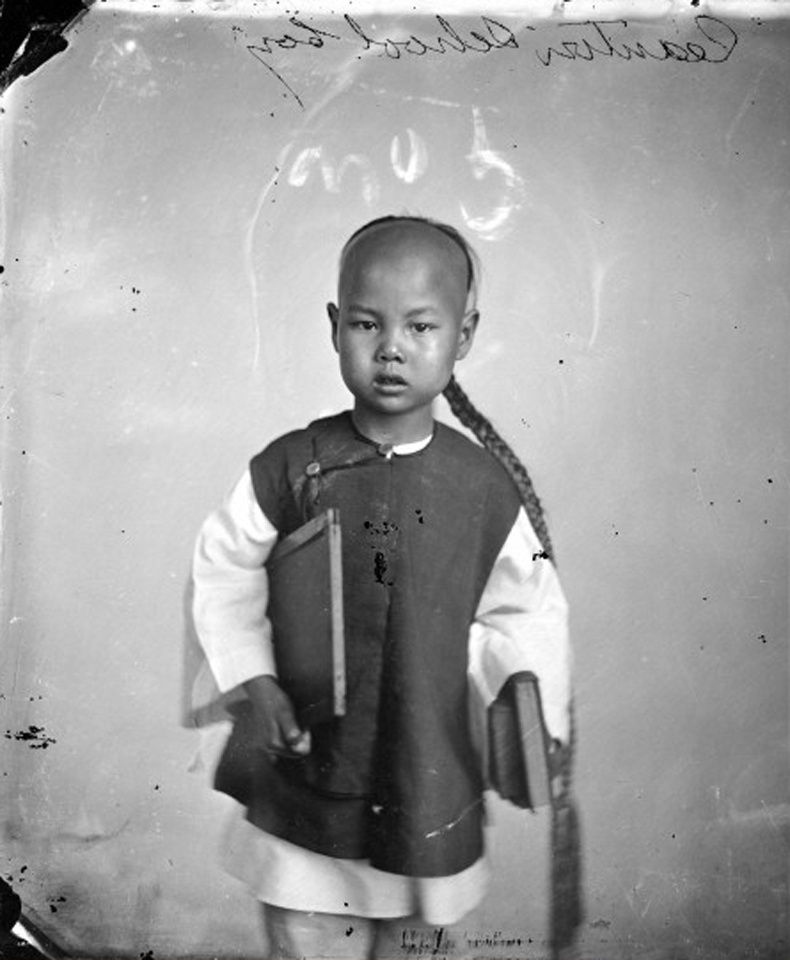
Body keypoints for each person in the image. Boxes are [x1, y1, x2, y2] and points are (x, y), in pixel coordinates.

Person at [190, 215, 573, 958]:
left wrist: (533, 716)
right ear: (336, 327)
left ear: (463, 336)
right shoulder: (290, 466)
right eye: (367, 322)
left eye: (421, 327)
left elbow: (526, 609)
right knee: (307, 925)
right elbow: (225, 568)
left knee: (417, 935)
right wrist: (254, 678)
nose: (392, 348)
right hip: (309, 761)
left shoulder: (482, 487)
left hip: (424, 763)